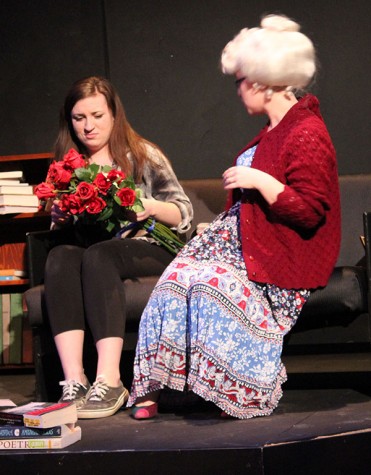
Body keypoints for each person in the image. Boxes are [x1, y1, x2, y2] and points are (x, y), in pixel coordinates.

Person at [127, 14, 341, 420]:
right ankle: (153, 390)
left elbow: (311, 212)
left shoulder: (306, 131)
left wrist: (259, 180)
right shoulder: (273, 130)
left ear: (263, 81)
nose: (239, 91)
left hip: (280, 252)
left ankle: (232, 390)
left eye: (242, 81)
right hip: (239, 242)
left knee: (212, 287)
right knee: (172, 283)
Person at [43, 76, 193, 419]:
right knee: (59, 257)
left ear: (113, 115)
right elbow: (63, 231)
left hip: (147, 245)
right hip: (96, 251)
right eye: (79, 118)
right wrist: (59, 213)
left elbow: (183, 211)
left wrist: (149, 205)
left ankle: (109, 380)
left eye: (96, 115)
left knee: (100, 255)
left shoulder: (141, 154)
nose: (88, 126)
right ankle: (75, 381)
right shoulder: (71, 164)